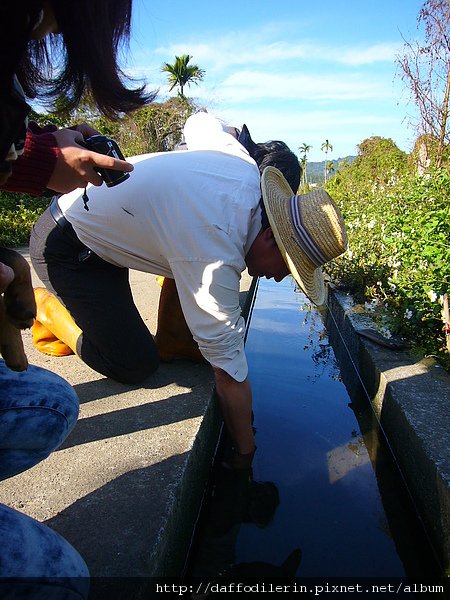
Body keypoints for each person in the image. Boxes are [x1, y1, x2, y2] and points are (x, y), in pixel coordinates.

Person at [29, 112, 348, 471]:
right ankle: (48, 310)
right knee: (134, 365)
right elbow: (229, 377)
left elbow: (201, 121)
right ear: (271, 236)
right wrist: (246, 454)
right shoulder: (215, 252)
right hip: (69, 247)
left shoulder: (241, 164)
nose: (279, 280)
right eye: (287, 268)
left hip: (108, 241)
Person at [0, 1, 154, 595]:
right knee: (63, 582)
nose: (49, 31)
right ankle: (52, 312)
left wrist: (47, 155)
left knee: (51, 403)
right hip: (70, 244)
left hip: (100, 248)